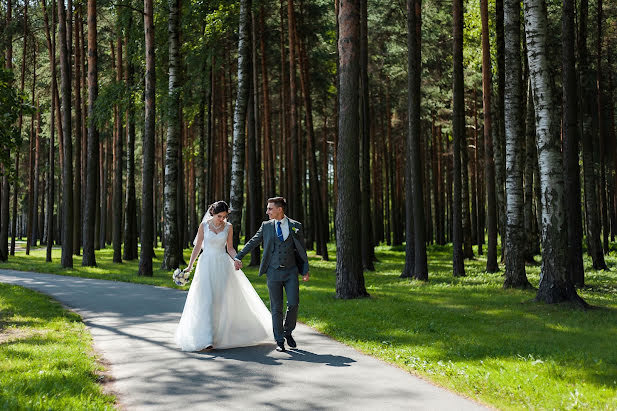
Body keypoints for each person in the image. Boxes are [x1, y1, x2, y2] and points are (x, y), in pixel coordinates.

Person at [174, 201, 272, 351]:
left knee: (220, 300)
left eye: (225, 216)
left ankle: (219, 335)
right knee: (206, 299)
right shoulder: (204, 226)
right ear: (213, 213)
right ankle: (207, 340)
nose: (222, 219)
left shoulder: (228, 227)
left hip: (222, 265)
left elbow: (230, 248)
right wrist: (189, 265)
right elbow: (198, 246)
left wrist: (237, 259)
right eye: (219, 216)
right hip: (206, 264)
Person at [234, 197, 309, 352]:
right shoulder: (266, 226)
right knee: (276, 307)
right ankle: (279, 340)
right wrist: (239, 256)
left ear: (279, 209)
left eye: (270, 209)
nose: (267, 211)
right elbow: (253, 241)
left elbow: (302, 250)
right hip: (273, 272)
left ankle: (288, 331)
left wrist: (305, 270)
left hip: (291, 272)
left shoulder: (296, 226)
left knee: (293, 303)